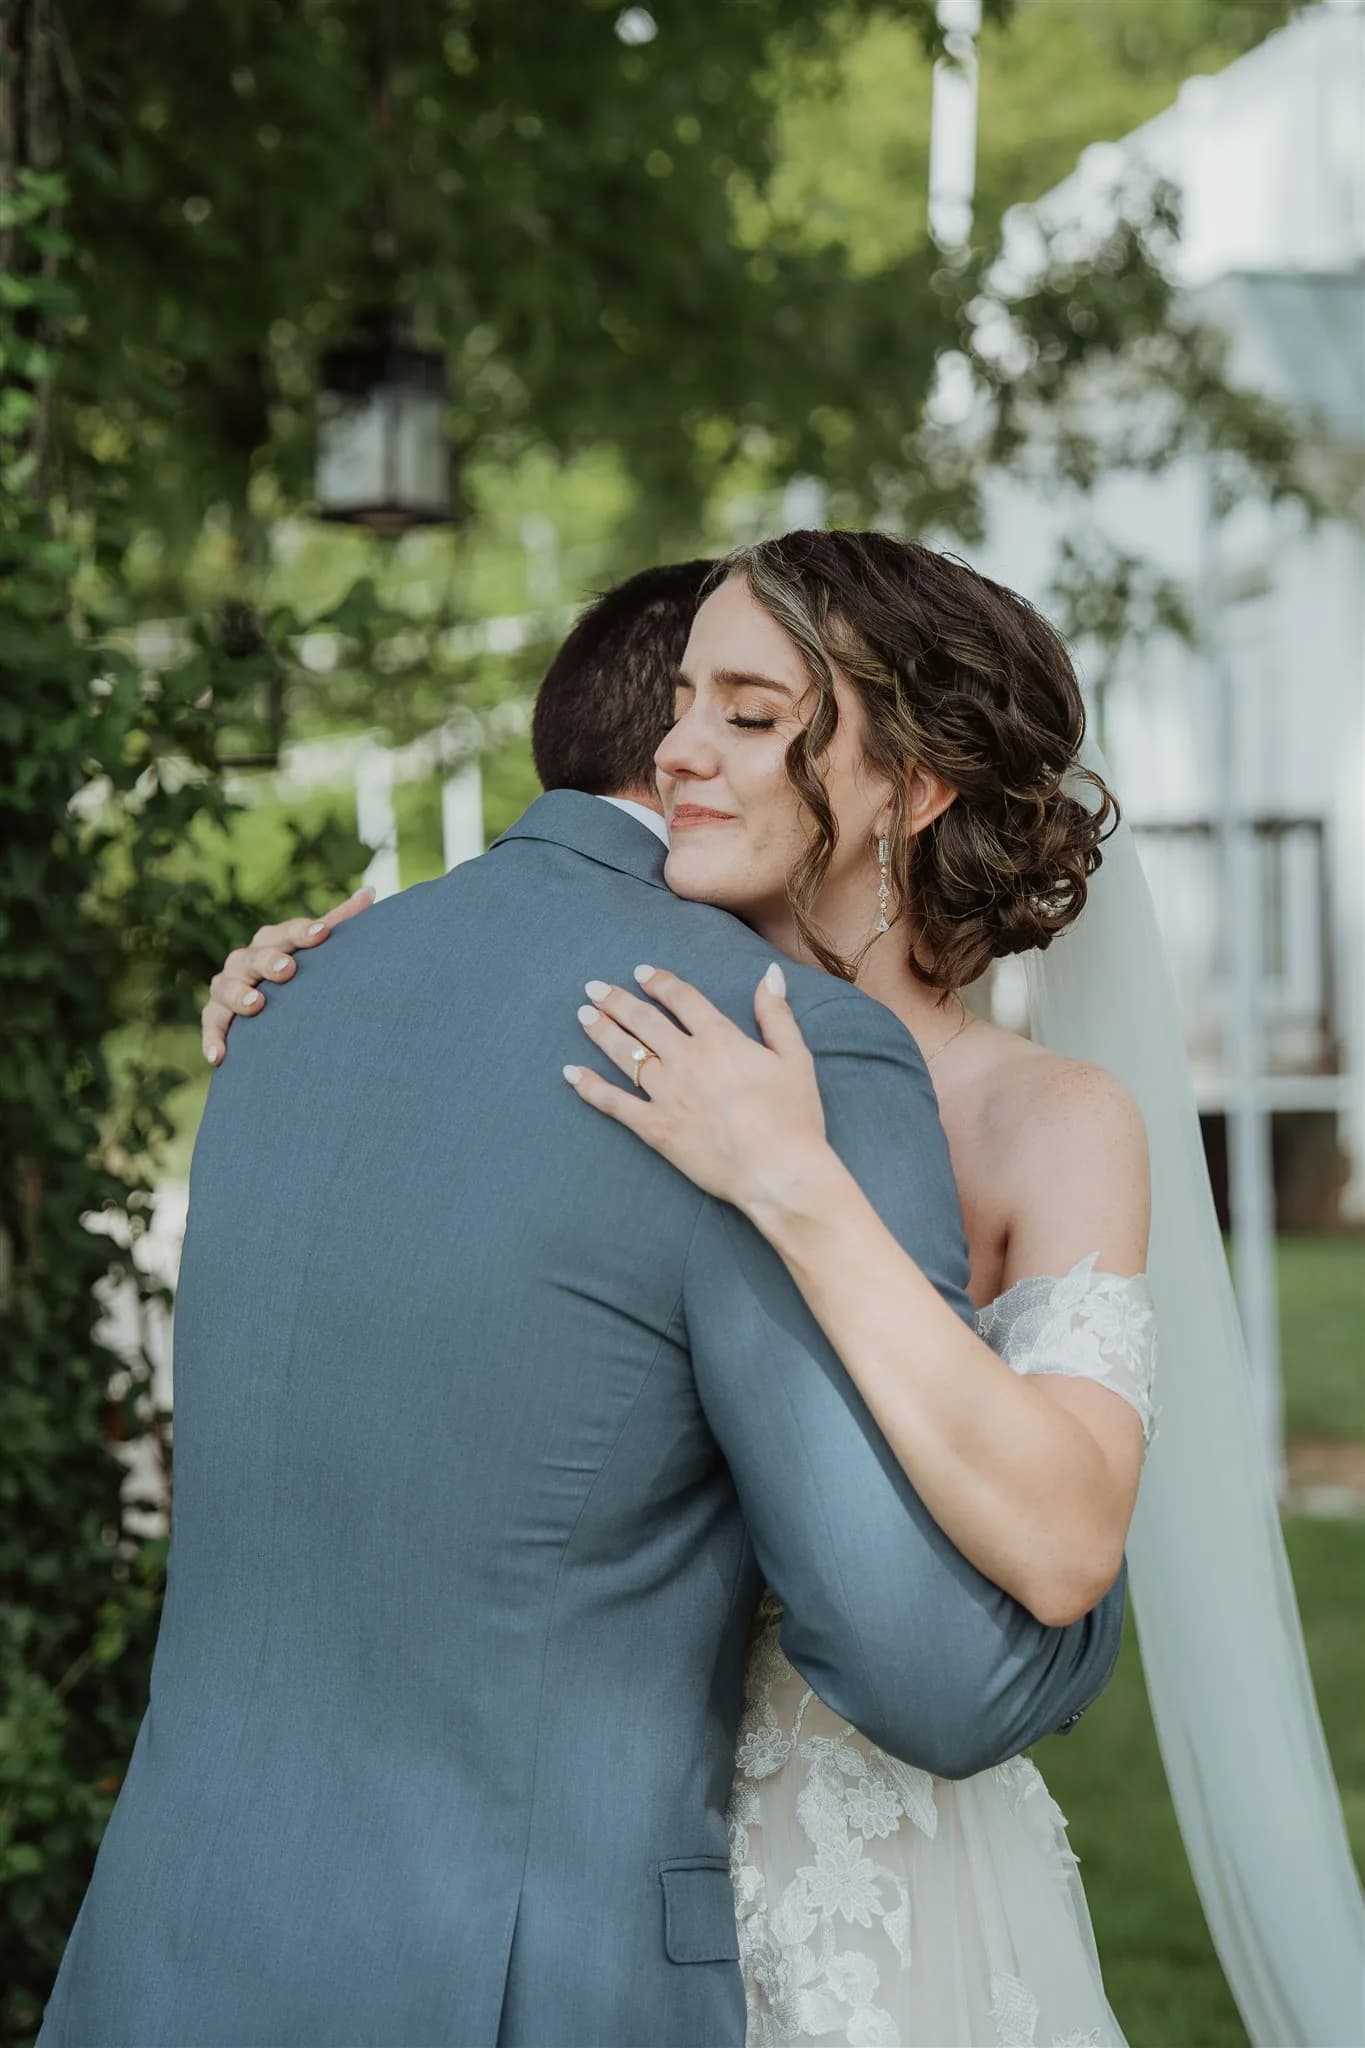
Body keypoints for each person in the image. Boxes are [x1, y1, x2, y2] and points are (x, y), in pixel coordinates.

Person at [37, 559, 1127, 2048]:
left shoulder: (319, 997)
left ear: (913, 787)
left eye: (749, 715)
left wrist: (796, 1186)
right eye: (687, 703)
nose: (683, 750)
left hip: (182, 1939)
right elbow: (936, 1671)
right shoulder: (731, 1040)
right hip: (528, 1943)